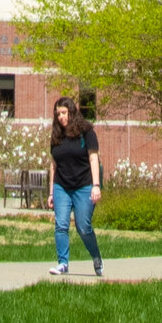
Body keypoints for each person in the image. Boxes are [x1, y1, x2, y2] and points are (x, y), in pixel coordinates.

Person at [46, 94, 105, 281]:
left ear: (71, 112)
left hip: (84, 186)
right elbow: (53, 164)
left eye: (63, 113)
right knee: (61, 225)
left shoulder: (86, 132)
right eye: (58, 114)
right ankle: (63, 263)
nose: (61, 117)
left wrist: (96, 185)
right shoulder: (57, 135)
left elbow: (93, 157)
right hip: (62, 187)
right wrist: (51, 192)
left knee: (83, 227)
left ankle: (96, 257)